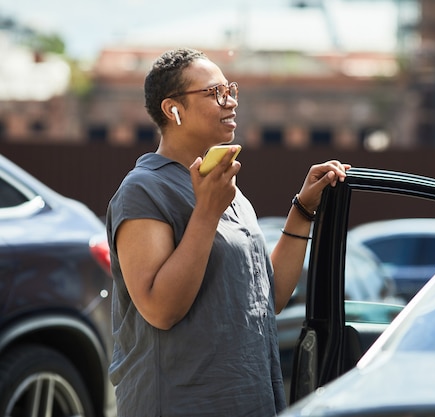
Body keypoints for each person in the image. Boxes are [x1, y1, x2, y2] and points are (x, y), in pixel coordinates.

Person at [105, 47, 350, 417]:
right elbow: (160, 309)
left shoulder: (225, 190)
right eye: (214, 93)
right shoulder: (143, 190)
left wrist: (302, 210)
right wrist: (206, 212)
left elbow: (268, 298)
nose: (230, 101)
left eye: (230, 89)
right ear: (173, 109)